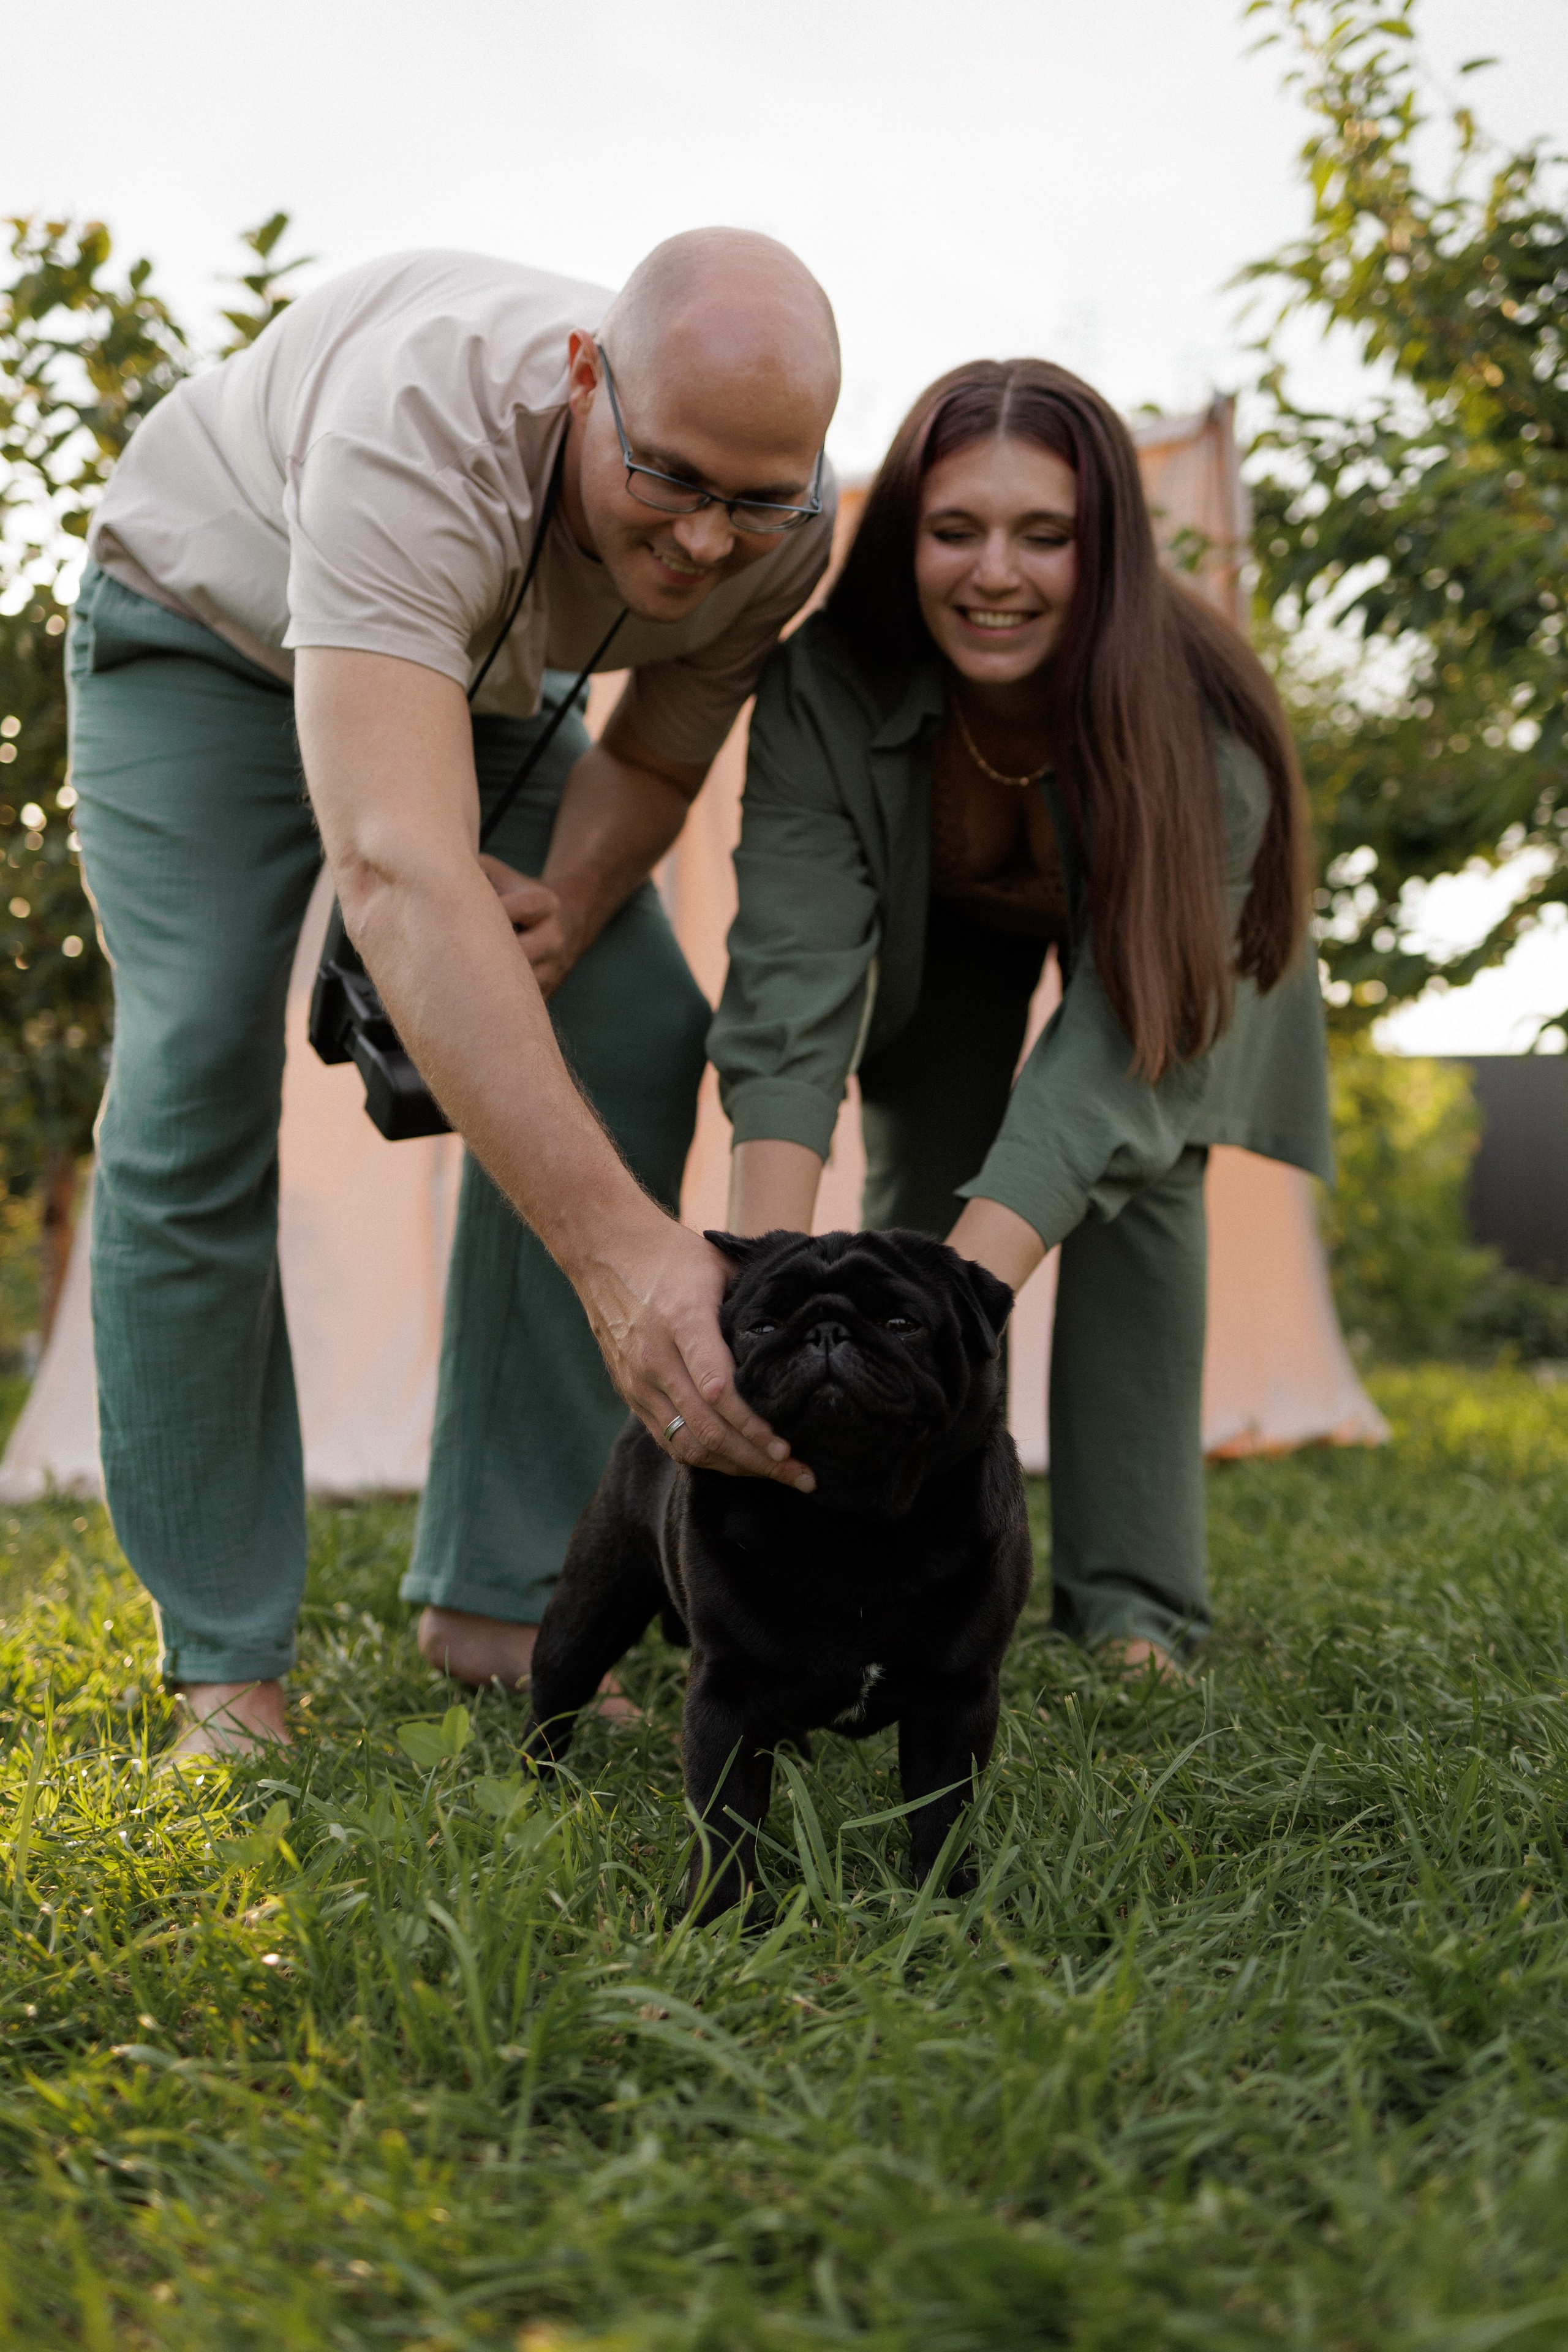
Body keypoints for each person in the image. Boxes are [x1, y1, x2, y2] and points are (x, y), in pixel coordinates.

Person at [70, 228, 838, 1757]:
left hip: (466, 682)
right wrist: (626, 1257)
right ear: (582, 385)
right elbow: (397, 866)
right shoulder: (420, 420)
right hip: (202, 634)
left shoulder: (788, 531)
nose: (701, 544)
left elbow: (654, 758)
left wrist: (553, 930)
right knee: (195, 1065)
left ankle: (506, 1598)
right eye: (670, 480)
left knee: (628, 1017)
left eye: (755, 501)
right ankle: (225, 1662)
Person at [709, 358, 1332, 1674]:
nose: (995, 573)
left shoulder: (1204, 731)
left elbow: (1114, 1054)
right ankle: (877, 1552)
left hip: (1159, 959)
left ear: (1100, 545)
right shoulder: (826, 678)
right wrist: (760, 1289)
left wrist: (957, 1306)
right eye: (955, 530)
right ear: (905, 536)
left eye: (1043, 534)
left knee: (1130, 1169)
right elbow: (793, 970)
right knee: (921, 1190)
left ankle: (1130, 1607)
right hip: (948, 931)